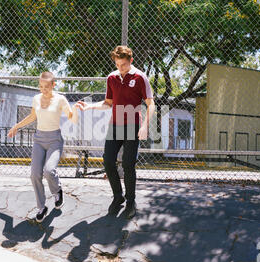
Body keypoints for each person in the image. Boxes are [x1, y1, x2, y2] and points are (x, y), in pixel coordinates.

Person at [76, 46, 155, 219]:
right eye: (118, 64)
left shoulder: (140, 77)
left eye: (124, 64)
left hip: (133, 125)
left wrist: (144, 126)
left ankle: (130, 201)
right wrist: (90, 106)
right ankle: (118, 197)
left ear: (131, 61)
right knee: (108, 161)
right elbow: (108, 103)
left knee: (128, 164)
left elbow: (151, 104)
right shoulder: (112, 77)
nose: (121, 68)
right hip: (115, 125)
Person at [8, 72, 78, 222]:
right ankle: (42, 207)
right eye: (40, 86)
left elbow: (70, 115)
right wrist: (16, 127)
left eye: (47, 86)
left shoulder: (60, 99)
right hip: (39, 139)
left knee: (49, 170)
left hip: (54, 140)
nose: (43, 89)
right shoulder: (36, 98)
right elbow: (33, 116)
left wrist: (76, 112)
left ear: (53, 85)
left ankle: (57, 191)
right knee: (34, 174)